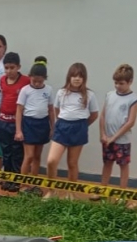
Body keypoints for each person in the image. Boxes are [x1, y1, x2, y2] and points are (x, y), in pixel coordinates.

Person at [45, 63, 99, 199]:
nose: (77, 79)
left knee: (72, 163)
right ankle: (51, 191)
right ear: (69, 77)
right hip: (62, 127)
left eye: (80, 76)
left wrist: (82, 126)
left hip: (79, 128)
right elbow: (56, 110)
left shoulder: (90, 95)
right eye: (74, 75)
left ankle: (71, 192)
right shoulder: (61, 93)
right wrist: (64, 123)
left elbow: (94, 115)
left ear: (84, 78)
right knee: (52, 160)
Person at [96, 64, 137, 193]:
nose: (118, 86)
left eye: (121, 83)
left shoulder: (133, 99)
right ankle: (103, 190)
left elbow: (130, 122)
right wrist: (103, 134)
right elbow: (103, 116)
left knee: (123, 165)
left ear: (130, 82)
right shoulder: (110, 95)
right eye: (116, 83)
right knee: (107, 163)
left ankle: (122, 193)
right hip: (107, 138)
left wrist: (114, 137)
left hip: (122, 140)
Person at [15, 62, 54, 194]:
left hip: (42, 124)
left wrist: (52, 127)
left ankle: (34, 182)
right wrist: (18, 130)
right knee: (29, 156)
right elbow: (19, 110)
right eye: (34, 80)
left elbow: (50, 110)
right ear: (30, 77)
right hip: (29, 124)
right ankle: (23, 184)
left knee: (37, 156)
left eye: (40, 81)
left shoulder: (48, 90)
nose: (37, 83)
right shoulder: (25, 90)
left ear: (44, 79)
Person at [0, 52, 30, 192]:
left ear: (18, 67)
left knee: (17, 151)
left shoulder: (25, 81)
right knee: (6, 151)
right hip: (3, 121)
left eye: (12, 67)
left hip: (17, 123)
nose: (9, 71)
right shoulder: (2, 80)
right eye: (6, 68)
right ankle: (8, 178)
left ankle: (17, 180)